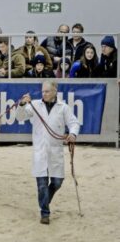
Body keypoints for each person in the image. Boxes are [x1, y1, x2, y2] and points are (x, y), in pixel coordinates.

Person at [14, 81, 80, 224]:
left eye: (47, 91)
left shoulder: (64, 108)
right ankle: (45, 213)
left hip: (56, 150)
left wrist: (73, 134)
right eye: (43, 91)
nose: (44, 94)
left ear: (55, 91)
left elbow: (74, 123)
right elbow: (19, 117)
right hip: (40, 151)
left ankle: (44, 201)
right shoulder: (35, 105)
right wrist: (21, 104)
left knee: (57, 182)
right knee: (42, 184)